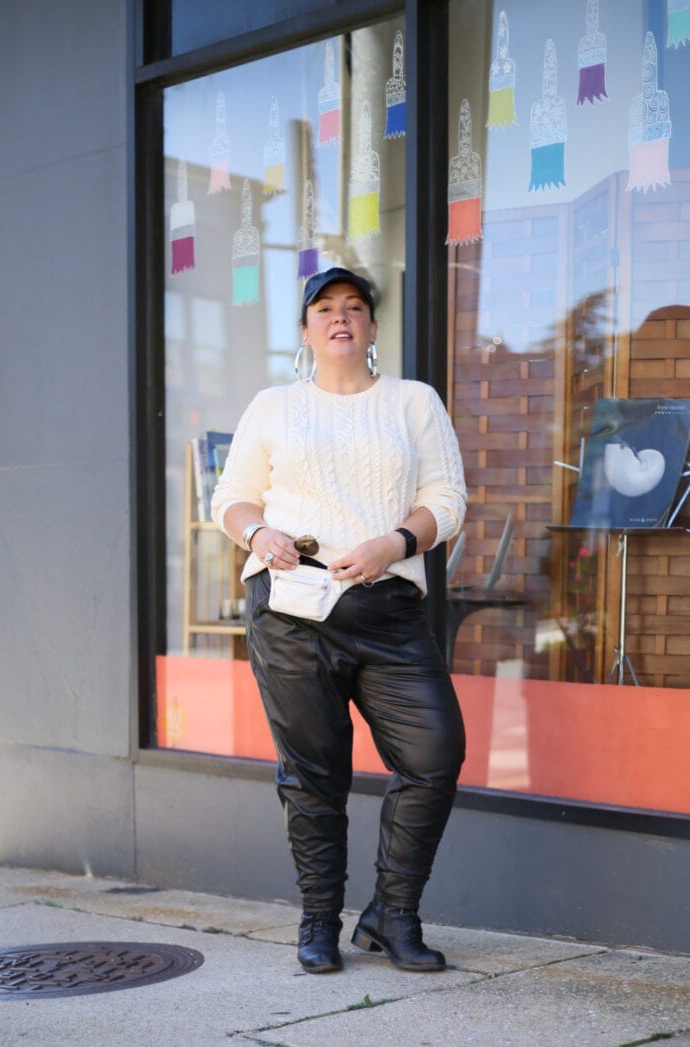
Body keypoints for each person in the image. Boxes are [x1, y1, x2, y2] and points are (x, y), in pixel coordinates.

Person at [211, 267, 467, 975]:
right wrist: (259, 535)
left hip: (388, 611)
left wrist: (395, 541)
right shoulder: (272, 406)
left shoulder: (413, 402)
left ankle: (392, 913)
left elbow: (447, 499)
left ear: (374, 329)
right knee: (314, 773)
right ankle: (318, 920)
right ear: (306, 331)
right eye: (325, 308)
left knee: (434, 754)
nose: (340, 317)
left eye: (355, 307)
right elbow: (230, 498)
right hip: (293, 609)